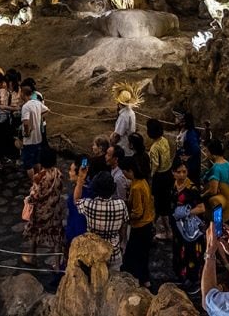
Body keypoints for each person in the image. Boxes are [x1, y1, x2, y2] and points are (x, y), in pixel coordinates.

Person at [74, 169, 129, 271]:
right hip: (114, 253)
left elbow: (76, 199)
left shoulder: (89, 205)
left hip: (94, 253)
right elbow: (123, 228)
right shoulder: (121, 205)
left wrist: (80, 178)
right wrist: (122, 242)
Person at [23, 147, 65, 266]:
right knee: (57, 235)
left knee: (35, 231)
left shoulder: (39, 177)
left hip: (41, 211)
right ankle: (57, 264)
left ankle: (32, 256)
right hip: (55, 210)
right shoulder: (58, 173)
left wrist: (28, 199)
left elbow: (36, 195)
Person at [170, 158, 205, 292]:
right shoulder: (173, 185)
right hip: (178, 228)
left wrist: (186, 213)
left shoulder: (192, 189)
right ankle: (182, 278)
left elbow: (201, 208)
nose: (182, 175)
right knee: (179, 251)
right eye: (179, 172)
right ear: (173, 173)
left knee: (191, 254)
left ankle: (193, 281)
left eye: (184, 172)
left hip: (190, 229)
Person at [121, 157, 156, 287]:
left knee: (133, 257)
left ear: (129, 171)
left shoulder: (136, 187)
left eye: (123, 171)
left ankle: (138, 282)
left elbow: (138, 212)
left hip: (140, 227)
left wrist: (126, 217)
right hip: (147, 224)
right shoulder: (143, 181)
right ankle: (145, 280)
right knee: (143, 256)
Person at [147, 119, 174, 240]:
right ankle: (167, 228)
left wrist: (151, 176)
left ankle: (165, 230)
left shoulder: (154, 148)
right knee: (166, 202)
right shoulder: (165, 140)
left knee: (159, 204)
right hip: (168, 173)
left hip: (159, 177)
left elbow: (155, 164)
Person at [202, 138, 229, 222]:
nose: (206, 153)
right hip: (228, 201)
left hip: (218, 203)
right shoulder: (228, 164)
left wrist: (202, 195)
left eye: (207, 151)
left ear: (213, 154)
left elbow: (213, 191)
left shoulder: (216, 168)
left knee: (216, 224)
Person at [20, 84, 48, 178]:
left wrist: (27, 133)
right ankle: (39, 181)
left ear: (23, 94)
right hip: (38, 138)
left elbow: (26, 122)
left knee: (28, 165)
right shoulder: (37, 103)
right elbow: (47, 110)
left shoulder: (25, 107)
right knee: (37, 161)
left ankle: (33, 184)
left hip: (29, 140)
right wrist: (39, 117)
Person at [65, 157, 91, 260]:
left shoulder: (83, 193)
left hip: (77, 231)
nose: (69, 172)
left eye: (71, 170)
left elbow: (76, 202)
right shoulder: (88, 187)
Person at [177, 113, 201, 184]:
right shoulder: (185, 130)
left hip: (191, 163)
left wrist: (188, 156)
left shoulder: (191, 133)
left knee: (191, 181)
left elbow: (196, 149)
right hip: (188, 161)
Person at [113, 90, 138, 155]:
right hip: (130, 143)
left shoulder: (123, 116)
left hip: (123, 146)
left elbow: (117, 134)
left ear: (119, 103)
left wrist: (112, 143)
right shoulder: (131, 112)